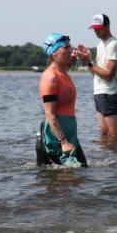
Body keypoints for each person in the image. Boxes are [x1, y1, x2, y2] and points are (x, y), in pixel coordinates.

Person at [36, 33, 87, 167]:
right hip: (56, 140)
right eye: (66, 48)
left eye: (71, 47)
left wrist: (86, 59)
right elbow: (49, 114)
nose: (71, 51)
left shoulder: (63, 73)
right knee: (68, 180)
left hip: (71, 136)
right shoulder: (50, 78)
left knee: (82, 174)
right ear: (54, 53)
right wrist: (63, 142)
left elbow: (75, 60)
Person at [76, 13, 117, 142]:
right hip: (99, 92)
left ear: (107, 26)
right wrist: (85, 60)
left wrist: (89, 62)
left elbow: (108, 75)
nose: (96, 31)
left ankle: (116, 160)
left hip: (109, 92)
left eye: (99, 28)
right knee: (104, 132)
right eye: (94, 28)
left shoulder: (113, 45)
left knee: (115, 135)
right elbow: (96, 73)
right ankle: (104, 158)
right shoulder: (100, 45)